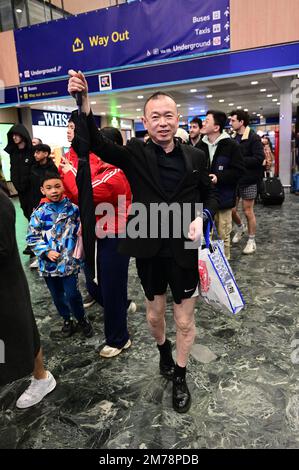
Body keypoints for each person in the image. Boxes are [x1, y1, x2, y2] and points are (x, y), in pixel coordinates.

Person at [68, 70, 218, 413]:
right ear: (145, 121)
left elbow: (209, 195)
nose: (162, 122)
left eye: (168, 116)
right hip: (147, 241)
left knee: (184, 321)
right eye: (155, 117)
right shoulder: (134, 151)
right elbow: (97, 143)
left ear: (177, 119)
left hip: (184, 245)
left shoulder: (196, 156)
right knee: (154, 317)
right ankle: (163, 349)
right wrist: (85, 102)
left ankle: (180, 374)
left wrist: (203, 217)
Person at [60, 124, 134, 358]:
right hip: (95, 233)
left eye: (99, 141)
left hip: (115, 235)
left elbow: (84, 194)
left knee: (110, 286)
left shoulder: (116, 172)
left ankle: (119, 338)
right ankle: (121, 306)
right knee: (94, 284)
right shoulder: (99, 167)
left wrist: (66, 170)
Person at [0, 188, 56, 408]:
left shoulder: (1, 203)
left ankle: (42, 378)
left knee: (24, 330)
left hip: (6, 283)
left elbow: (2, 248)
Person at [26, 173, 94, 338]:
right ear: (42, 190)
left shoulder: (73, 209)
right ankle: (66, 320)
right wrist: (46, 251)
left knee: (72, 294)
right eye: (49, 188)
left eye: (57, 186)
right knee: (56, 295)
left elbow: (82, 231)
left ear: (63, 187)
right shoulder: (39, 213)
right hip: (48, 265)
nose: (54, 191)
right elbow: (31, 237)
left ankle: (81, 319)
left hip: (69, 262)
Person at [198, 110, 244, 259]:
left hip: (223, 199)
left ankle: (223, 271)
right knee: (203, 237)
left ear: (216, 127)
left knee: (224, 236)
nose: (203, 123)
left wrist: (219, 177)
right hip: (203, 200)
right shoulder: (200, 145)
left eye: (207, 121)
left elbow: (238, 171)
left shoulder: (231, 145)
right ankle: (204, 272)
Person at [229, 110, 264, 255]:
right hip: (235, 180)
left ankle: (251, 241)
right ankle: (240, 227)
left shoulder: (253, 137)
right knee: (231, 209)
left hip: (249, 180)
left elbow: (258, 158)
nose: (231, 123)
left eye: (233, 120)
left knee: (248, 210)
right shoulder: (232, 137)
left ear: (241, 122)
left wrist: (239, 161)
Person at [4, 124, 34, 255]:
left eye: (16, 135)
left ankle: (33, 244)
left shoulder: (32, 152)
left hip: (32, 191)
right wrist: (16, 186)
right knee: (28, 215)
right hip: (21, 192)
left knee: (34, 216)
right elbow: (13, 171)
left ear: (23, 135)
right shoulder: (14, 154)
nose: (14, 137)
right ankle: (33, 242)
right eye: (12, 136)